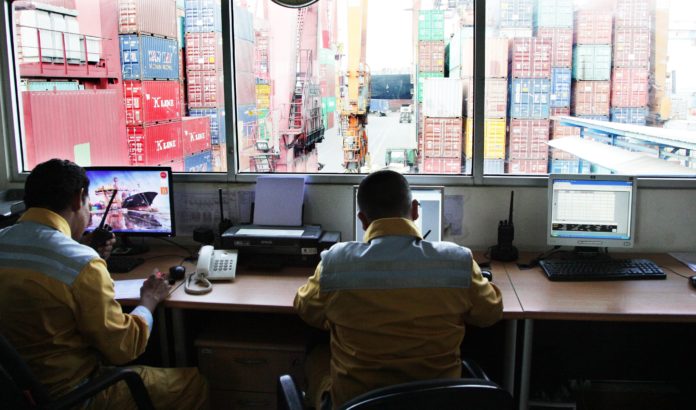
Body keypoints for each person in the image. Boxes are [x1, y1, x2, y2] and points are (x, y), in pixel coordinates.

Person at [0, 159, 208, 409]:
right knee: (192, 383)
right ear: (78, 199)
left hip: (12, 394)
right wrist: (149, 300)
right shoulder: (81, 263)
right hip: (73, 395)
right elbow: (123, 348)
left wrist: (84, 252)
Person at [294, 170, 503, 409]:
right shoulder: (457, 261)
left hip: (359, 404)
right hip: (436, 403)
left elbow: (306, 309)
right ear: (415, 211)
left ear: (362, 220)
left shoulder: (335, 263)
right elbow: (490, 313)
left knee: (317, 350)